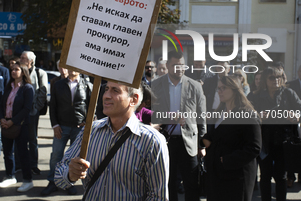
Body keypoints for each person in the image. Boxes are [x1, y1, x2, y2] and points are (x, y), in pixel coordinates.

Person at [54, 81, 169, 200]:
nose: (106, 95)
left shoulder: (152, 141)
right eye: (106, 89)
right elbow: (58, 176)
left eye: (115, 90)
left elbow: (157, 196)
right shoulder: (90, 131)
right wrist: (70, 174)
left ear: (133, 100)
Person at [151, 50, 207, 201]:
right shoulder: (155, 85)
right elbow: (151, 113)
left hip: (189, 142)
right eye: (175, 65)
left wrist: (202, 144)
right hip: (165, 140)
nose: (179, 69)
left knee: (192, 183)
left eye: (182, 65)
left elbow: (201, 116)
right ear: (168, 65)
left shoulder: (195, 86)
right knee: (168, 183)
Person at [202, 76, 261, 201]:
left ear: (235, 90)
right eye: (219, 88)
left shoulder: (248, 115)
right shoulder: (219, 112)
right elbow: (214, 135)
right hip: (216, 175)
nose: (220, 91)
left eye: (224, 88)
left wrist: (226, 160)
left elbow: (254, 148)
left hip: (237, 176)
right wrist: (203, 141)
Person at [251, 67, 301, 201]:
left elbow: (299, 109)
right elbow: (245, 114)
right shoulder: (256, 95)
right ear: (265, 80)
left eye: (278, 77)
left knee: (281, 176)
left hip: (284, 141)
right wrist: (257, 116)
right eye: (272, 78)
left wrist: (297, 115)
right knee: (265, 175)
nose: (276, 80)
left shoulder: (288, 93)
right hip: (264, 141)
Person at [40, 69, 92, 196]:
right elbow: (53, 106)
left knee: (73, 158)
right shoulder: (58, 85)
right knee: (56, 156)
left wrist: (87, 122)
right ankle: (52, 182)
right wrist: (55, 125)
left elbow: (91, 106)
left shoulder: (87, 85)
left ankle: (69, 183)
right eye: (70, 67)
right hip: (61, 127)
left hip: (78, 128)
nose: (72, 70)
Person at [0, 62, 34, 192]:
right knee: (7, 152)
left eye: (16, 69)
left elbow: (27, 109)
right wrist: (2, 118)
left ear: (23, 72)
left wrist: (12, 121)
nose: (13, 71)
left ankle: (27, 180)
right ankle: (10, 176)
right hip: (6, 124)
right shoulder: (9, 86)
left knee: (22, 153)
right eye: (12, 69)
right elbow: (2, 105)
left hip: (21, 125)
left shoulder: (27, 88)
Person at [19, 51, 47, 175]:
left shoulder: (40, 73)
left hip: (32, 112)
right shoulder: (18, 71)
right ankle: (19, 164)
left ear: (30, 61)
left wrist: (36, 108)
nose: (20, 59)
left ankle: (33, 164)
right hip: (18, 112)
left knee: (32, 139)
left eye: (23, 58)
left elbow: (42, 92)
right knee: (19, 139)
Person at [285, 64, 301, 187]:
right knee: (293, 148)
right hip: (293, 122)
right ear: (298, 72)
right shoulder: (290, 85)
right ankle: (290, 177)